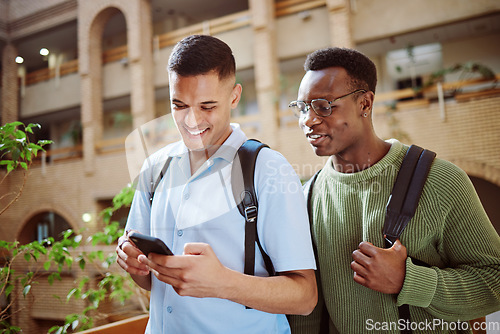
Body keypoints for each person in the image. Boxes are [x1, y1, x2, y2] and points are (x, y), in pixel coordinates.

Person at [287, 47, 500, 333]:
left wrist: (408, 281)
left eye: (324, 106)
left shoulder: (440, 180)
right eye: (302, 107)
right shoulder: (308, 198)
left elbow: (494, 280)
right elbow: (310, 312)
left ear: (365, 103)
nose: (308, 120)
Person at [116, 34, 317, 333]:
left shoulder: (268, 169)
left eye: (207, 106)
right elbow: (150, 280)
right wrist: (136, 265)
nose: (191, 120)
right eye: (179, 105)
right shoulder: (154, 168)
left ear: (234, 96)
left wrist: (222, 282)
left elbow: (304, 297)